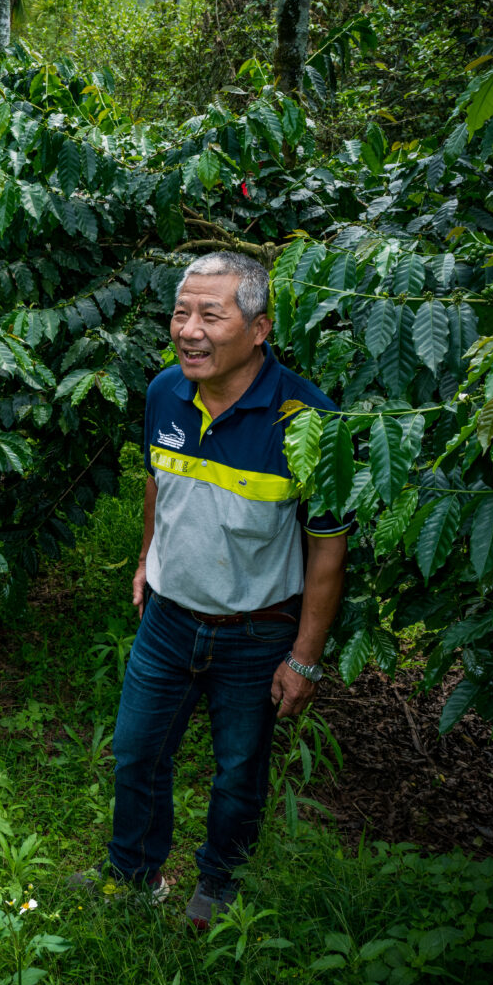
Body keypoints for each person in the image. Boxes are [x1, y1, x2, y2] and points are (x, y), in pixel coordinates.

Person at [98, 251, 349, 929]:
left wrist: (304, 656)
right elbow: (159, 481)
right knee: (137, 752)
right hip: (168, 620)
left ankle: (219, 886)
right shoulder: (164, 392)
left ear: (259, 329)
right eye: (181, 313)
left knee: (239, 770)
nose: (189, 330)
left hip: (256, 631)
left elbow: (328, 547)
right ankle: (132, 875)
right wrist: (146, 558)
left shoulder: (309, 420)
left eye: (211, 315)